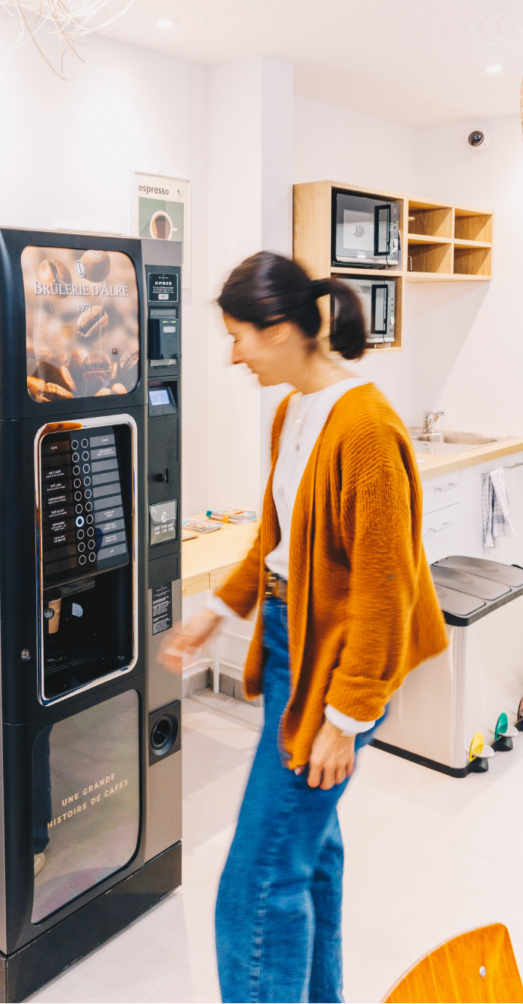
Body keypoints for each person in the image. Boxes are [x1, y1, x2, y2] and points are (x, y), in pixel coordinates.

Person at [160, 252, 447, 1004]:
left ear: (280, 329)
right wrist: (214, 614)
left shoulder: (366, 428)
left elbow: (386, 593)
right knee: (308, 855)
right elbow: (274, 539)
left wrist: (344, 719)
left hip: (343, 664)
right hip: (294, 648)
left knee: (255, 884)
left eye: (238, 338)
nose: (231, 355)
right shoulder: (294, 411)